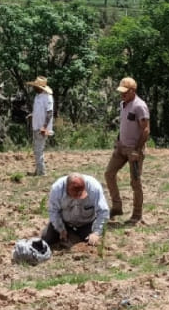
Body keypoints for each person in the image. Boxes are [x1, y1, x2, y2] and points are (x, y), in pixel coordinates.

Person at [103, 76, 150, 224]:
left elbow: (146, 130)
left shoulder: (139, 106)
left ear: (133, 91)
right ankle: (117, 206)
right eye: (121, 91)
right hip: (121, 147)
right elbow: (124, 125)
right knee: (109, 174)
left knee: (135, 182)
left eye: (125, 92)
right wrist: (118, 140)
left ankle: (137, 215)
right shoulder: (123, 104)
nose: (122, 94)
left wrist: (137, 149)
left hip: (134, 150)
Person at [40, 173, 109, 248]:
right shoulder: (57, 189)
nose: (78, 198)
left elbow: (103, 211)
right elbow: (53, 211)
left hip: (86, 223)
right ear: (67, 189)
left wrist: (96, 232)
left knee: (91, 242)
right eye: (75, 195)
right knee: (46, 239)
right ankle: (69, 233)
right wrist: (61, 229)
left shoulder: (94, 187)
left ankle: (75, 235)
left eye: (81, 195)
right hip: (65, 222)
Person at [26, 76, 55, 176]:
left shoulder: (48, 97)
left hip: (42, 127)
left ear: (40, 87)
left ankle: (41, 172)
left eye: (35, 86)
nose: (33, 88)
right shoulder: (38, 96)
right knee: (36, 149)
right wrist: (32, 115)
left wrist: (44, 127)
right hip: (36, 126)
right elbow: (39, 110)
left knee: (39, 149)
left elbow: (49, 113)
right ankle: (38, 170)